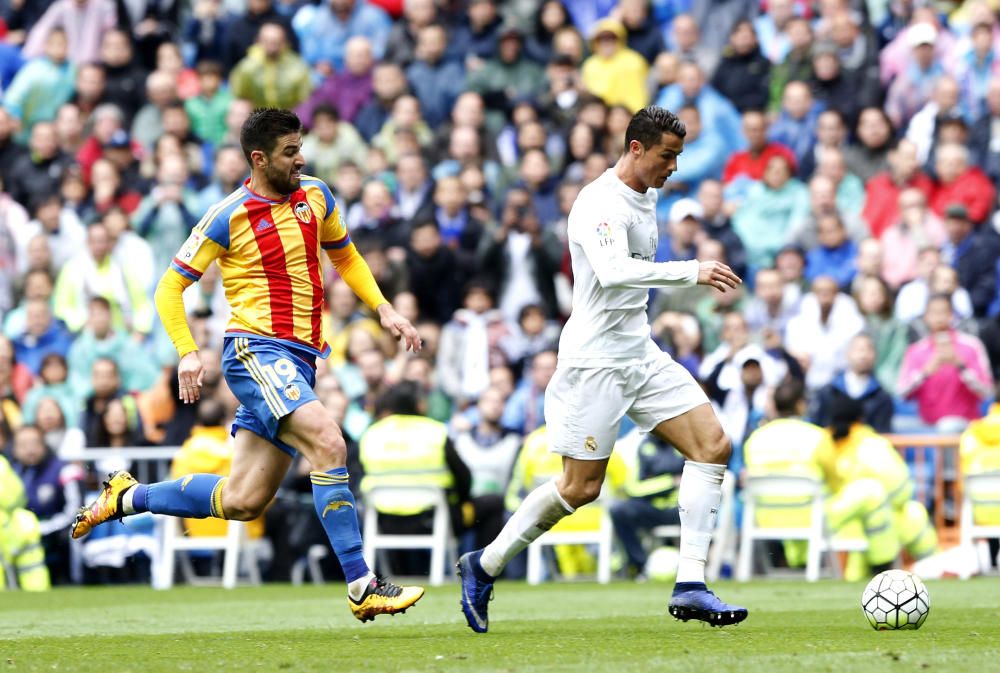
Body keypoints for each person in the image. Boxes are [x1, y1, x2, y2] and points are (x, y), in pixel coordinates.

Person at [71, 108, 424, 621]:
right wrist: (188, 350)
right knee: (329, 443)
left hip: (300, 361)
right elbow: (170, 286)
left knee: (243, 500)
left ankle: (128, 496)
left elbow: (344, 254)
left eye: (300, 148)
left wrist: (383, 307)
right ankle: (361, 583)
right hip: (255, 351)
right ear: (258, 159)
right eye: (288, 152)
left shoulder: (317, 195)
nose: (300, 159)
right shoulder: (227, 215)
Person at [456, 106, 747, 632]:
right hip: (594, 363)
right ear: (636, 148)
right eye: (667, 155)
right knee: (580, 488)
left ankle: (690, 585)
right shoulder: (597, 203)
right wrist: (692, 271)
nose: (673, 167)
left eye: (678, 156)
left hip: (640, 352)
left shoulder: (648, 193)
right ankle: (485, 563)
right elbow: (613, 273)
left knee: (713, 446)